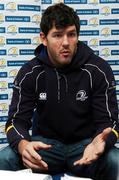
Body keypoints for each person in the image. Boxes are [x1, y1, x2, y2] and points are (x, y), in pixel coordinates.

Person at [0, 3, 119, 180]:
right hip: (45, 148)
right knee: (6, 157)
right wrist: (23, 145)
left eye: (71, 35)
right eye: (57, 35)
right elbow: (16, 122)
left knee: (115, 160)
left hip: (85, 148)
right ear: (43, 38)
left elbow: (110, 123)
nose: (65, 43)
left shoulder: (98, 69)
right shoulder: (30, 72)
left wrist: (101, 142)